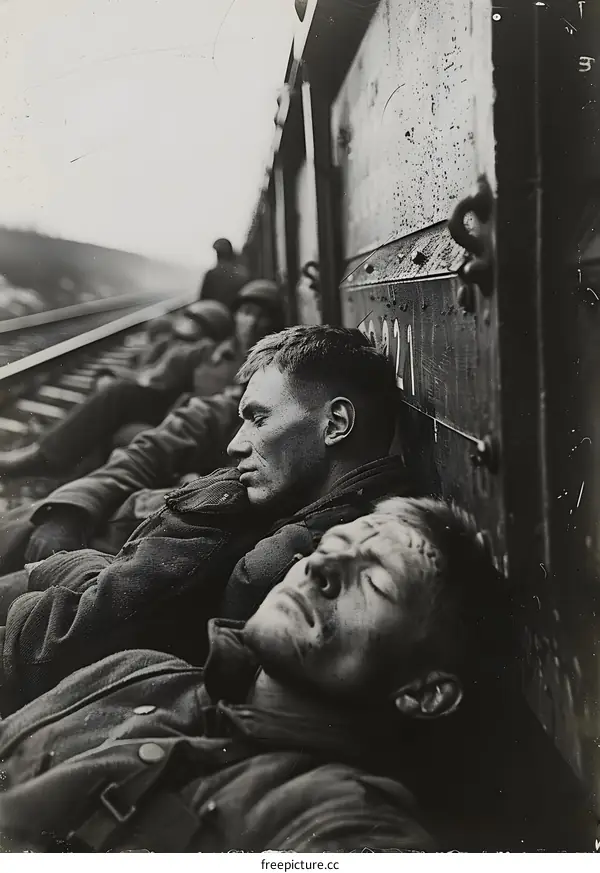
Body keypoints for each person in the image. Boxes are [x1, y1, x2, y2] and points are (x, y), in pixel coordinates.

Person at [0, 497, 508, 853]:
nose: (317, 570)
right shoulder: (137, 672)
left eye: (373, 582)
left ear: (425, 692)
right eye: (329, 547)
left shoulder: (335, 814)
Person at [0, 326, 415, 714]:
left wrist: (62, 565)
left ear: (335, 424)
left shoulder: (281, 553)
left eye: (258, 418)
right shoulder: (316, 511)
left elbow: (76, 635)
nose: (236, 444)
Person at [0, 300, 235, 478]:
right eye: (188, 321)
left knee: (117, 393)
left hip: (170, 412)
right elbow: (145, 371)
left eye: (196, 325)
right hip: (157, 402)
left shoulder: (201, 353)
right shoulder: (174, 345)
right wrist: (110, 375)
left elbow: (157, 381)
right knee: (111, 388)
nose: (186, 328)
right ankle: (61, 459)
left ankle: (44, 458)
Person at [198, 238, 250, 310]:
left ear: (218, 255)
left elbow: (202, 301)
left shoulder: (211, 274)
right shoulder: (242, 275)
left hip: (216, 315)